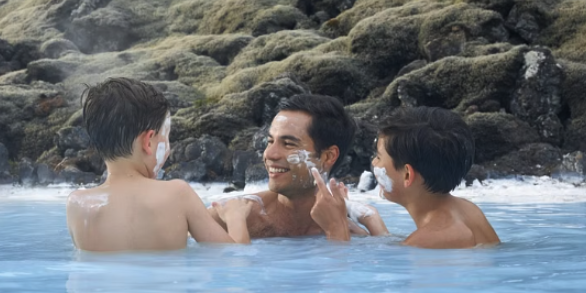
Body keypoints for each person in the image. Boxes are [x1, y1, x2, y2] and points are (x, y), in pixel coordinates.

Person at [66, 77, 253, 252]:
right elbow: (235, 258)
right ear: (148, 142)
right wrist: (235, 217)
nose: (169, 148)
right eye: (167, 136)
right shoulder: (177, 194)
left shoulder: (77, 205)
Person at [313, 106, 500, 249]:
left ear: (408, 174)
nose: (374, 164)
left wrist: (335, 229)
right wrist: (371, 222)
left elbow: (339, 277)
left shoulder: (431, 239)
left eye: (378, 157)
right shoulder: (466, 210)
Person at [210, 94, 388, 239]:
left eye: (288, 144)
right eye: (270, 141)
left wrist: (373, 221)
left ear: (327, 156)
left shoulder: (353, 231)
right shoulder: (231, 216)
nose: (270, 154)